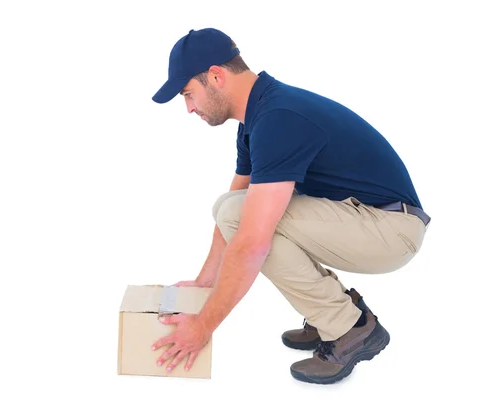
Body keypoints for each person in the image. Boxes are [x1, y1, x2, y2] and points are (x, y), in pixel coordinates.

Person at [148, 27, 430, 384]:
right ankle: (330, 312)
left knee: (245, 218)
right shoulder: (258, 117)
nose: (189, 108)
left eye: (188, 94)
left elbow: (249, 242)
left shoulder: (278, 119)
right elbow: (229, 209)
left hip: (391, 230)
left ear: (216, 76)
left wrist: (202, 327)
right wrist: (206, 281)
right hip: (369, 221)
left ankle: (349, 327)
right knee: (232, 207)